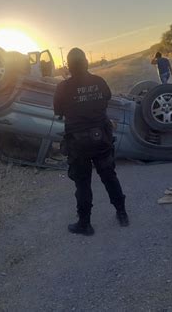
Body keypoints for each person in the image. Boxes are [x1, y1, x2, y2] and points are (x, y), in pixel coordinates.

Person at [54, 48, 128, 236]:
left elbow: (58, 111)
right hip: (101, 139)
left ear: (69, 66)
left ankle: (85, 224)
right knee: (109, 177)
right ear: (86, 62)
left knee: (83, 184)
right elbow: (107, 97)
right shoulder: (98, 81)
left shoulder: (63, 87)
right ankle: (122, 214)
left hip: (78, 145)